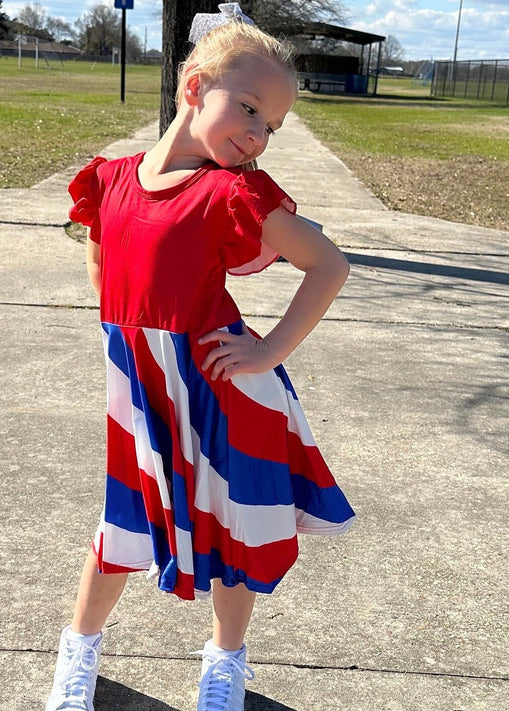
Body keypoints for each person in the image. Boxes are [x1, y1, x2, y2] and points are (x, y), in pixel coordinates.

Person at [46, 5, 355, 711]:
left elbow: (327, 264)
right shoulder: (111, 178)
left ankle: (224, 662)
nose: (255, 136)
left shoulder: (232, 191)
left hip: (222, 392)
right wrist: (129, 343)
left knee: (236, 529)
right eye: (247, 109)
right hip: (143, 395)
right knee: (121, 523)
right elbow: (103, 262)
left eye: (269, 127)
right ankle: (78, 652)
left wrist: (268, 348)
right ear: (193, 88)